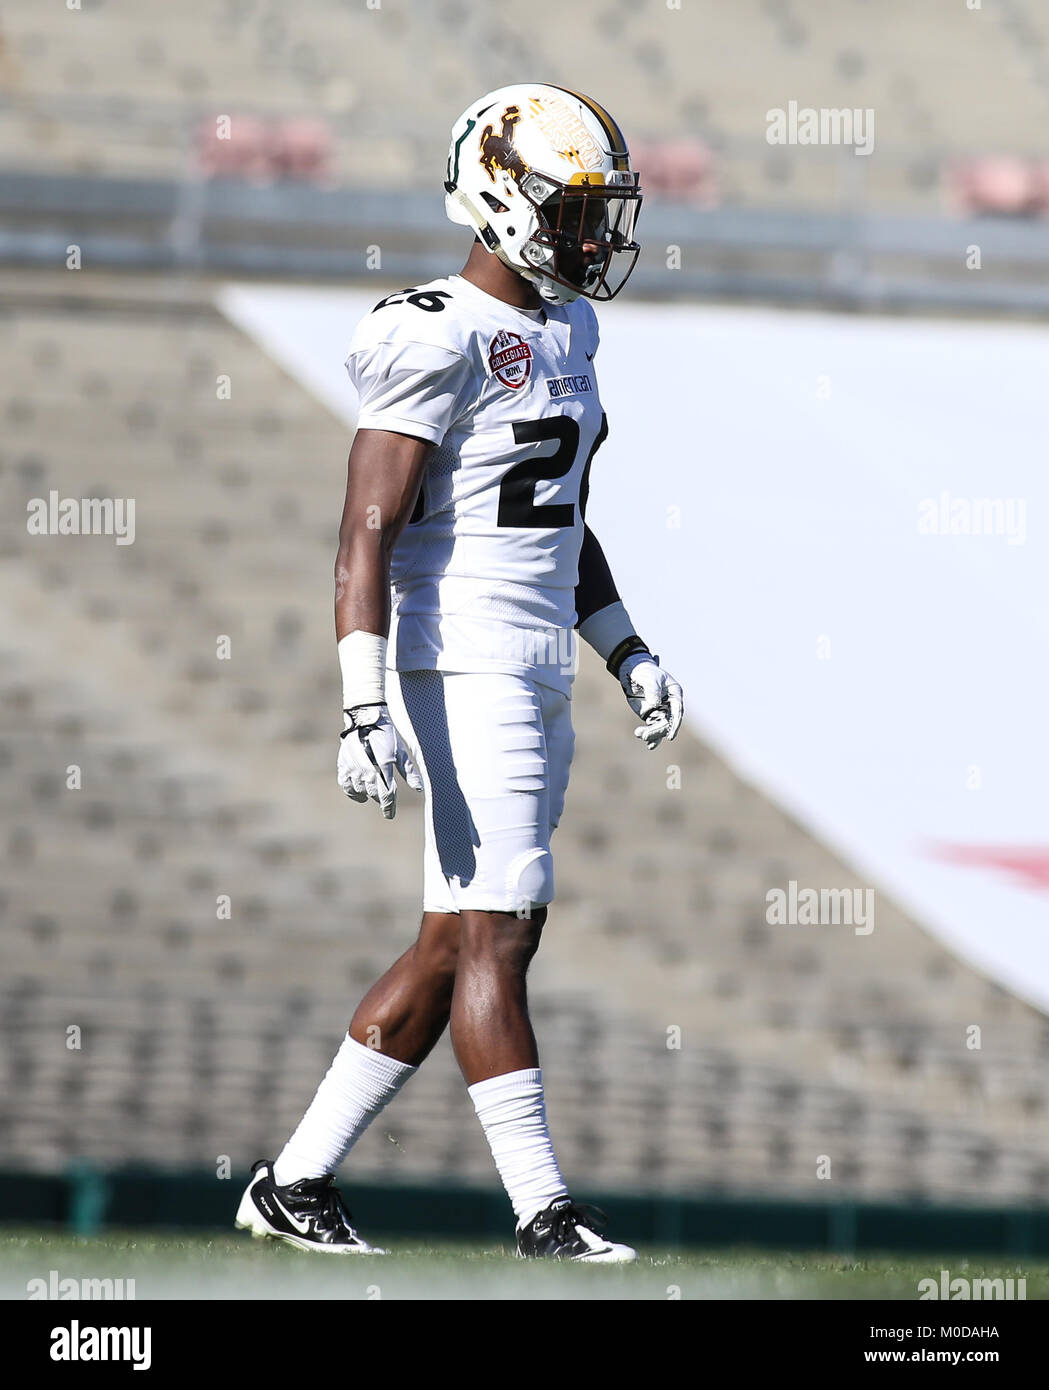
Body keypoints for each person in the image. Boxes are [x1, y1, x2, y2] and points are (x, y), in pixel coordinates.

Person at [236, 83, 683, 1262]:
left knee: (454, 941)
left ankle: (294, 1184)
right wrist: (360, 699)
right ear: (499, 199)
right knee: (498, 934)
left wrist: (624, 643)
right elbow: (364, 532)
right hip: (458, 655)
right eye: (572, 207)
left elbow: (559, 522)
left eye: (600, 210)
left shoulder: (569, 330)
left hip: (534, 654)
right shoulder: (429, 331)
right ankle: (543, 1211)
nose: (594, 235)